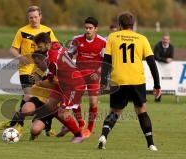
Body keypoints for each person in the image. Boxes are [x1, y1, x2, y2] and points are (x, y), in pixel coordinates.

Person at [97, 12, 161, 151]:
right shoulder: (142, 38)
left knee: (115, 111)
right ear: (133, 24)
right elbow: (152, 63)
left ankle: (103, 136)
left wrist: (103, 82)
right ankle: (151, 144)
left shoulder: (113, 37)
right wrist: (157, 84)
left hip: (119, 80)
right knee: (141, 111)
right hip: (137, 80)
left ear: (120, 25)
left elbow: (106, 61)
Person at [12, 33, 87, 143]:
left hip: (72, 84)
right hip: (64, 82)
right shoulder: (55, 46)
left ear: (47, 44)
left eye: (40, 46)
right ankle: (69, 125)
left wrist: (40, 83)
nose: (38, 48)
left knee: (62, 113)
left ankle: (79, 135)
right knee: (50, 105)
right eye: (37, 46)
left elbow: (52, 81)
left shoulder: (52, 59)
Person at [0, 5, 58, 137]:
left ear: (40, 16)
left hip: (43, 70)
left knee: (47, 99)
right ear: (28, 18)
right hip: (26, 70)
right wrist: (19, 57)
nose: (34, 20)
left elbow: (55, 47)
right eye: (31, 17)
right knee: (28, 96)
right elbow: (12, 49)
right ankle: (19, 125)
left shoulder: (48, 31)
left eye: (36, 17)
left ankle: (47, 127)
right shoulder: (22, 31)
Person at [58, 17, 106, 138]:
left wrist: (99, 71)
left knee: (93, 103)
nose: (88, 30)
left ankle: (89, 128)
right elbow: (69, 54)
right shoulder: (77, 40)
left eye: (90, 28)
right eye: (86, 28)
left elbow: (106, 61)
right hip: (79, 74)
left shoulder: (102, 42)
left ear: (96, 29)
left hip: (94, 76)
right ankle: (80, 123)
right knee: (74, 101)